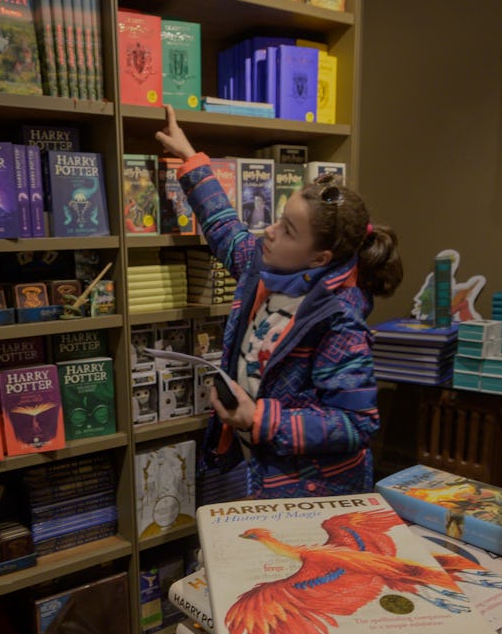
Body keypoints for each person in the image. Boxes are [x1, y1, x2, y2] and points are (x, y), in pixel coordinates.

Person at [155, 105, 404, 498]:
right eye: (278, 218)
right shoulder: (264, 266)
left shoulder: (339, 318)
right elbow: (225, 228)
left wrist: (260, 418)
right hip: (260, 467)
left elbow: (356, 423)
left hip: (311, 488)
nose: (268, 231)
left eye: (287, 230)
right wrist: (191, 160)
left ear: (320, 258)